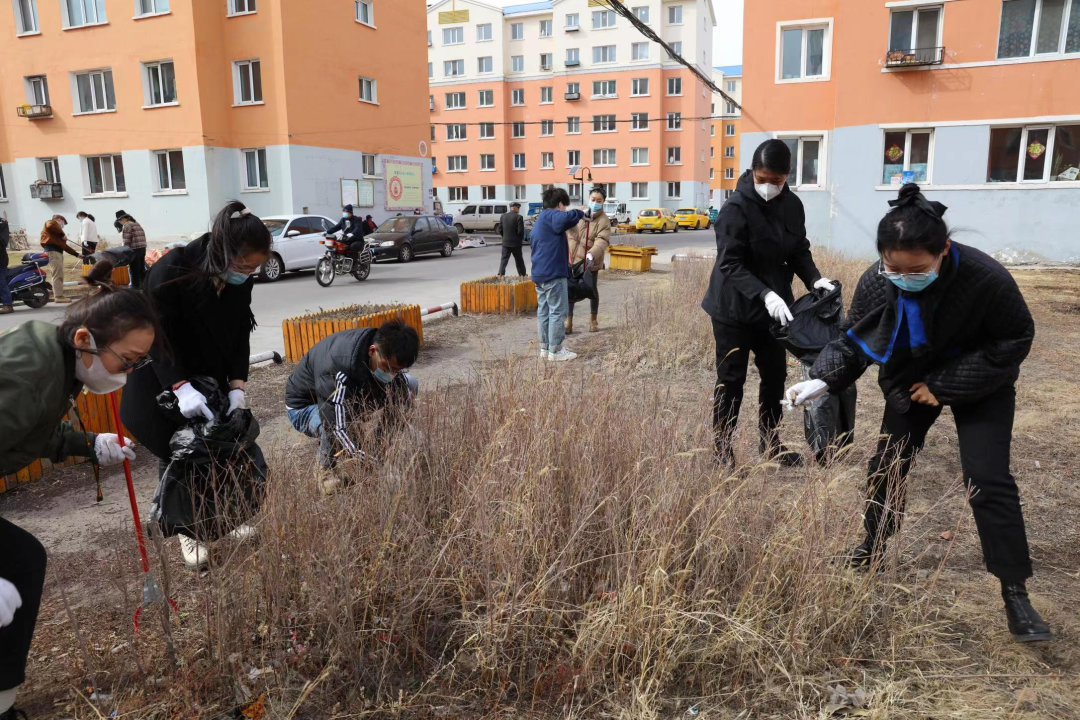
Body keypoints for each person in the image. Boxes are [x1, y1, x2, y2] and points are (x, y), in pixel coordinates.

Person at [786, 183, 1051, 643]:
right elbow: (855, 339)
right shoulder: (877, 280)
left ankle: (1015, 591)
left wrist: (944, 386)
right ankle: (871, 545)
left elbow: (1014, 340)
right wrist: (823, 378)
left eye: (918, 269)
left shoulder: (986, 278)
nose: (905, 277)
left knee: (988, 479)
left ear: (943, 250)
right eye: (894, 268)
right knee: (887, 465)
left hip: (981, 382)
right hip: (910, 378)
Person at [0, 260, 157, 720]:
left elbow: (30, 426)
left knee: (22, 560)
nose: (127, 373)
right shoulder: (29, 375)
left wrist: (89, 444)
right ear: (85, 340)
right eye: (126, 360)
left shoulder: (55, 361)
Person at [120, 200, 270, 570]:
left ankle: (224, 520)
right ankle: (188, 531)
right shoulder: (173, 270)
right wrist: (180, 387)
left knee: (219, 451)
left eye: (255, 267)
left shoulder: (239, 280)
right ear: (222, 252)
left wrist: (237, 386)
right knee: (180, 454)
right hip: (162, 377)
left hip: (211, 379)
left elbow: (239, 333)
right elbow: (155, 335)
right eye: (243, 266)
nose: (248, 273)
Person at [701, 139, 835, 468]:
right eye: (762, 179)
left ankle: (771, 443)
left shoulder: (792, 206)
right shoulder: (735, 209)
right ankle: (721, 448)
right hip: (733, 309)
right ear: (752, 172)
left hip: (775, 313)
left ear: (786, 176)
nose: (768, 187)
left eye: (776, 181)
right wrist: (764, 293)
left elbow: (798, 249)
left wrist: (814, 278)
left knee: (774, 376)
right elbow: (730, 265)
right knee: (730, 379)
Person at [285, 321, 419, 495]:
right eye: (388, 368)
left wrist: (381, 448)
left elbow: (402, 399)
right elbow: (336, 425)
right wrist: (366, 459)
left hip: (352, 393)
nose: (392, 375)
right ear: (373, 351)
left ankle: (376, 448)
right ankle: (325, 471)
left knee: (410, 386)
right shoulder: (337, 367)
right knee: (335, 427)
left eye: (398, 370)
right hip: (306, 406)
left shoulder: (385, 350)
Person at [531, 187, 587, 362]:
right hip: (553, 274)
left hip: (539, 274)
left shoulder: (541, 220)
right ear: (560, 204)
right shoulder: (552, 215)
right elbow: (566, 217)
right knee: (557, 312)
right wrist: (581, 212)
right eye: (564, 206)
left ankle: (545, 348)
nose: (565, 210)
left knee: (544, 312)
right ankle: (556, 350)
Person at [566, 187, 612, 335]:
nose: (595, 203)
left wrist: (592, 254)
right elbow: (565, 225)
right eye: (593, 200)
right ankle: (569, 321)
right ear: (588, 199)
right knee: (570, 289)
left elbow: (602, 240)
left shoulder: (603, 220)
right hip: (572, 258)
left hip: (589, 261)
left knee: (591, 289)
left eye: (599, 201)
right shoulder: (578, 212)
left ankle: (593, 319)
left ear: (603, 201)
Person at [40, 215, 78, 304]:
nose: (63, 225)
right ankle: (58, 296)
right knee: (57, 275)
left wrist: (77, 254)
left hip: (57, 252)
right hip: (53, 252)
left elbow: (64, 246)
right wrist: (62, 234)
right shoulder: (50, 223)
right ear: (59, 220)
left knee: (58, 274)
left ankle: (59, 295)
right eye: (63, 223)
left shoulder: (55, 233)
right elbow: (51, 225)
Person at [115, 211, 147, 289]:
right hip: (142, 249)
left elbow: (126, 241)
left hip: (134, 251)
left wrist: (123, 252)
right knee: (141, 270)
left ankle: (135, 290)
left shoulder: (127, 225)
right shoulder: (136, 223)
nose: (120, 222)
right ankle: (145, 287)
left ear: (122, 219)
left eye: (119, 220)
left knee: (134, 271)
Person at [497, 201, 527, 277]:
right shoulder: (519, 217)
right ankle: (522, 274)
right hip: (516, 243)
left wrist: (505, 237)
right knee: (519, 260)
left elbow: (499, 229)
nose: (519, 209)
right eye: (518, 207)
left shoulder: (503, 216)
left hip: (505, 242)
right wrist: (520, 239)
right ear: (514, 207)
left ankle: (501, 273)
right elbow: (520, 231)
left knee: (504, 259)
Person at [0, 216, 11, 315]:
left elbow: (3, 241)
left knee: (1, 282)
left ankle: (8, 305)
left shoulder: (2, 223)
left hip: (0, 259)